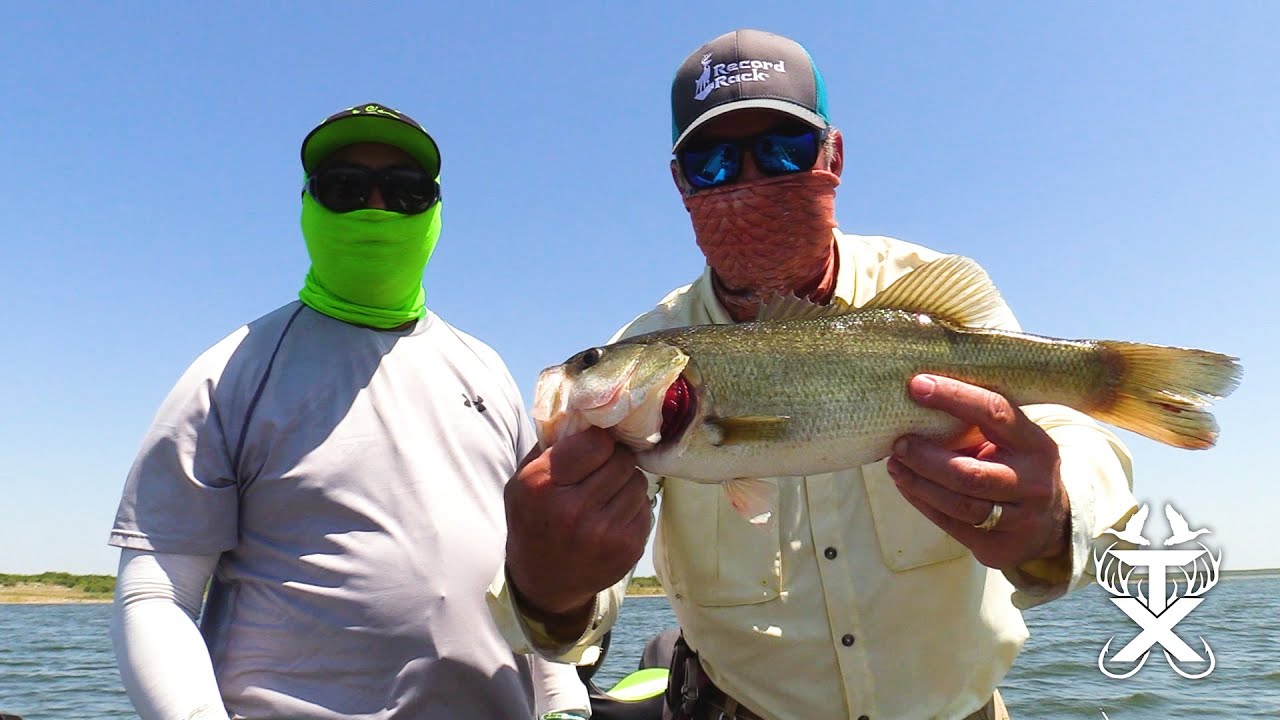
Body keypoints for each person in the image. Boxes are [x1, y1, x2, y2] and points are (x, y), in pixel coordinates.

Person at [490, 30, 1139, 720]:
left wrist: (1056, 506)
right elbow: (583, 592)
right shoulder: (646, 352)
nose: (750, 182)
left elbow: (1067, 435)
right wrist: (547, 586)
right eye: (714, 163)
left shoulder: (918, 291)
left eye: (782, 151)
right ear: (681, 183)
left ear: (832, 156)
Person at [108, 102, 589, 719]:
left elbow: (534, 568)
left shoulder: (488, 369)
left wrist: (564, 699)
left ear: (435, 210)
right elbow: (156, 593)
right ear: (309, 205)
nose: (376, 208)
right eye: (346, 189)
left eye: (406, 191)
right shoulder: (229, 374)